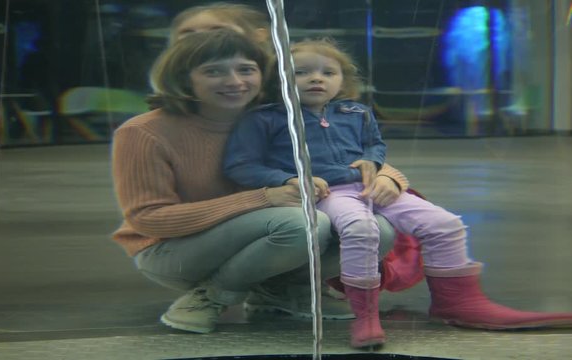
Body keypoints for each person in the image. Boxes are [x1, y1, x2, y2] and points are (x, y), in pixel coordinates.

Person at [223, 38, 572, 348]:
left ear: (344, 79)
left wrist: (375, 166)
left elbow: (374, 146)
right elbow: (240, 165)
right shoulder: (266, 119)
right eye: (301, 72)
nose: (316, 79)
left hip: (369, 186)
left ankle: (455, 302)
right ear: (279, 80)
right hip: (327, 194)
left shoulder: (356, 113)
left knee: (445, 223)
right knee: (362, 232)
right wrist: (288, 179)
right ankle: (366, 316)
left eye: (328, 72)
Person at [110, 29, 409, 335]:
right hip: (174, 252)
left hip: (269, 234)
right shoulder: (143, 133)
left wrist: (388, 175)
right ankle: (212, 295)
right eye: (213, 71)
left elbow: (346, 157)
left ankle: (284, 290)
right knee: (305, 224)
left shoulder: (275, 116)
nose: (235, 82)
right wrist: (264, 197)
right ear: (184, 78)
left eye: (246, 70)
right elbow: (149, 219)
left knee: (378, 230)